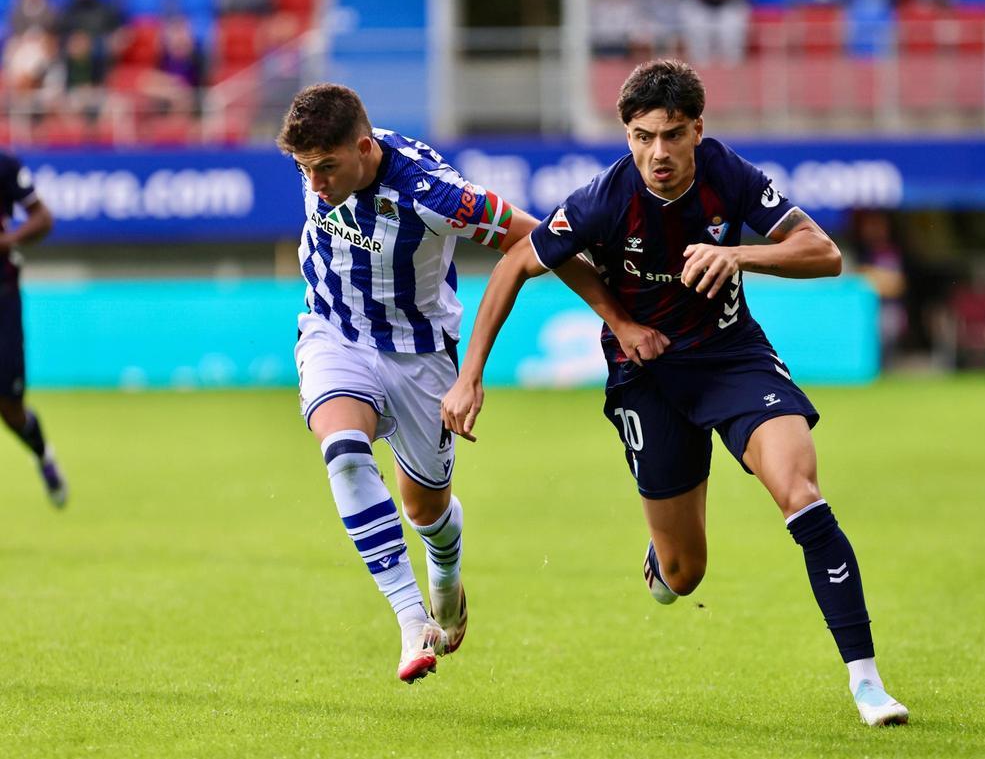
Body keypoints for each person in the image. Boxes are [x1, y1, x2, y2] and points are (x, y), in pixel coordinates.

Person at [442, 60, 908, 726]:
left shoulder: (729, 175)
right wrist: (474, 372)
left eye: (671, 135)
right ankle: (663, 562)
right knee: (684, 573)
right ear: (627, 133)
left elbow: (824, 252)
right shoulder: (605, 198)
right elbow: (521, 260)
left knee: (801, 494)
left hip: (731, 359)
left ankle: (866, 681)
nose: (656, 152)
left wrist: (739, 255)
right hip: (648, 377)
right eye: (641, 136)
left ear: (697, 128)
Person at [276, 84, 658, 684]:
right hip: (335, 334)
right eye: (306, 171)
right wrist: (316, 171)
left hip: (421, 356)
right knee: (343, 453)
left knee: (425, 510)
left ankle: (446, 565)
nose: (317, 183)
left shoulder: (434, 194)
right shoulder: (321, 163)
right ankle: (411, 620)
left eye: (326, 168)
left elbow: (539, 243)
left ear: (363, 147)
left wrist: (621, 320)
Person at [0, 150, 68, 507]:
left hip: (2, 295)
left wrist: (7, 241)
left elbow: (42, 218)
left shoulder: (5, 166)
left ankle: (44, 457)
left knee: (10, 410)